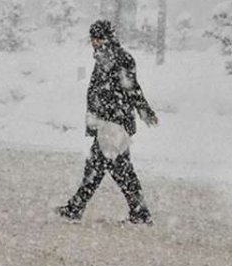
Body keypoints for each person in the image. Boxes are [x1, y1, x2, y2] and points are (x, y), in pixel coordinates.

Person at [56, 19, 159, 224]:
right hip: (108, 122)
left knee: (109, 168)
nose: (93, 42)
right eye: (92, 38)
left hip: (114, 123)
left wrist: (145, 111)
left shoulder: (119, 58)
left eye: (95, 38)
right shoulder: (105, 57)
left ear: (104, 38)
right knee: (106, 167)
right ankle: (77, 207)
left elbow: (131, 88)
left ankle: (137, 212)